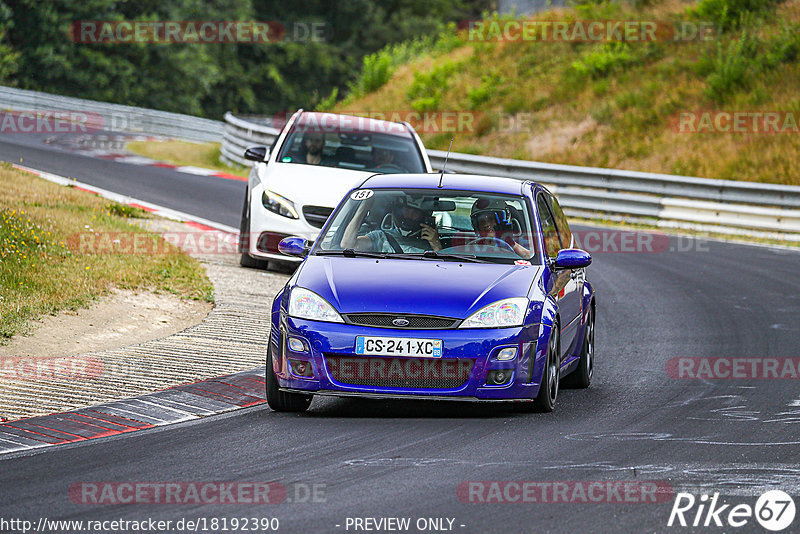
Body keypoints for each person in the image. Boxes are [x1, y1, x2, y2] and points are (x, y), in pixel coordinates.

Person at [341, 196, 441, 253]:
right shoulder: (380, 236)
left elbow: (444, 270)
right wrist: (364, 207)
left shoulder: (430, 242)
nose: (409, 215)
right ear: (396, 212)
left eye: (415, 212)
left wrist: (436, 245)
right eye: (405, 210)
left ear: (423, 216)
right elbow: (347, 244)